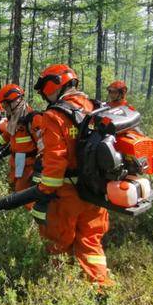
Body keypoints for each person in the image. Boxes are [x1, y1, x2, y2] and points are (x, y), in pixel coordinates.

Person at [32, 64, 114, 287]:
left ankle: (60, 286)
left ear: (54, 85)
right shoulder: (97, 108)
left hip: (68, 195)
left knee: (59, 241)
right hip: (96, 192)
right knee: (90, 242)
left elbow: (55, 162)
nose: (44, 96)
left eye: (45, 91)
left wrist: (43, 191)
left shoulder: (54, 116)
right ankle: (101, 290)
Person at [0, 84, 40, 199]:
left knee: (21, 196)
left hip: (28, 167)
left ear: (15, 101)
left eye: (5, 104)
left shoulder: (32, 118)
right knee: (10, 190)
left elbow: (43, 147)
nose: (4, 107)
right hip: (15, 162)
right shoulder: (13, 118)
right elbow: (7, 136)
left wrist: (39, 174)